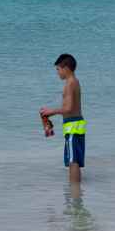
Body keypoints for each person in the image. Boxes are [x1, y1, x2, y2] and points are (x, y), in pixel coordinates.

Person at [40, 54, 85, 185]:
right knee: (73, 159)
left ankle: (75, 192)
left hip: (73, 125)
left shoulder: (70, 83)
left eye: (58, 70)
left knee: (73, 160)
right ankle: (76, 192)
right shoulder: (73, 82)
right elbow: (69, 108)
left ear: (66, 68)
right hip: (74, 124)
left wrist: (51, 111)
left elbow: (69, 108)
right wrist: (50, 114)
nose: (58, 73)